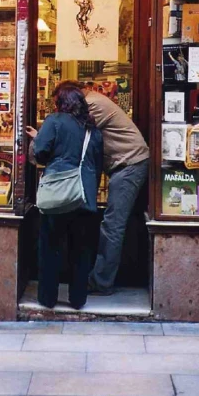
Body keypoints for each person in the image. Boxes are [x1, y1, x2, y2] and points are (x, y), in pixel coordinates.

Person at [26, 82, 103, 310]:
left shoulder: (54, 121)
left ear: (60, 102)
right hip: (84, 195)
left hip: (59, 194)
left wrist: (38, 138)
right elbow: (98, 164)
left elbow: (41, 153)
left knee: (50, 247)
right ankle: (78, 300)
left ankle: (48, 299)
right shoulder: (93, 129)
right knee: (82, 250)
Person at [76, 81, 149, 296]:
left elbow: (76, 136)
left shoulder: (93, 105)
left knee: (113, 224)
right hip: (125, 164)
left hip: (129, 165)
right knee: (114, 223)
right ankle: (104, 277)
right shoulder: (94, 101)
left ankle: (101, 282)